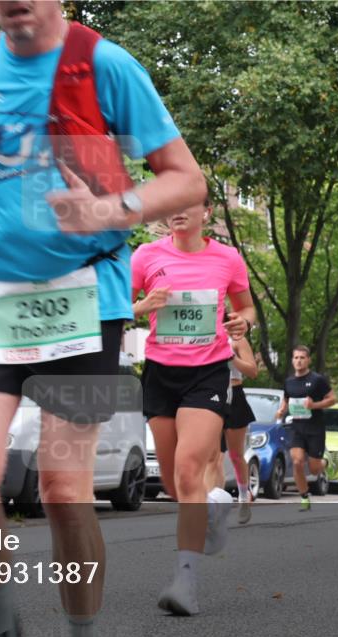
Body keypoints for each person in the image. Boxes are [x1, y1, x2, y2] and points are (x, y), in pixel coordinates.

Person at [0, 1, 207, 637]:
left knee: (63, 490)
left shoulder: (105, 65)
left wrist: (109, 208)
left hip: (83, 298)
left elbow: (186, 176)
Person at [131, 200, 256, 615]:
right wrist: (142, 308)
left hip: (208, 373)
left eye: (188, 206)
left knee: (188, 468)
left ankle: (185, 582)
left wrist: (243, 322)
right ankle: (214, 505)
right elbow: (114, 308)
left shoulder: (228, 258)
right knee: (172, 484)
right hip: (161, 373)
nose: (177, 211)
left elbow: (246, 306)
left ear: (207, 213)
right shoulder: (146, 256)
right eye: (172, 206)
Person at [203, 323, 259, 523]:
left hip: (234, 395)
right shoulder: (203, 334)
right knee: (213, 456)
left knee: (235, 455)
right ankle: (214, 505)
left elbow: (253, 371)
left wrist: (231, 357)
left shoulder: (236, 338)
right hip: (212, 395)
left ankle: (243, 496)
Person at [274, 345, 336, 511]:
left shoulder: (317, 380)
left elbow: (332, 399)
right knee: (297, 461)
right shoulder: (289, 382)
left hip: (315, 427)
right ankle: (304, 497)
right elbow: (286, 400)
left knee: (315, 470)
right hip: (297, 427)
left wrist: (314, 405)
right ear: (292, 360)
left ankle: (326, 461)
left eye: (302, 358)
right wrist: (281, 410)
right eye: (296, 358)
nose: (299, 361)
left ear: (308, 360)